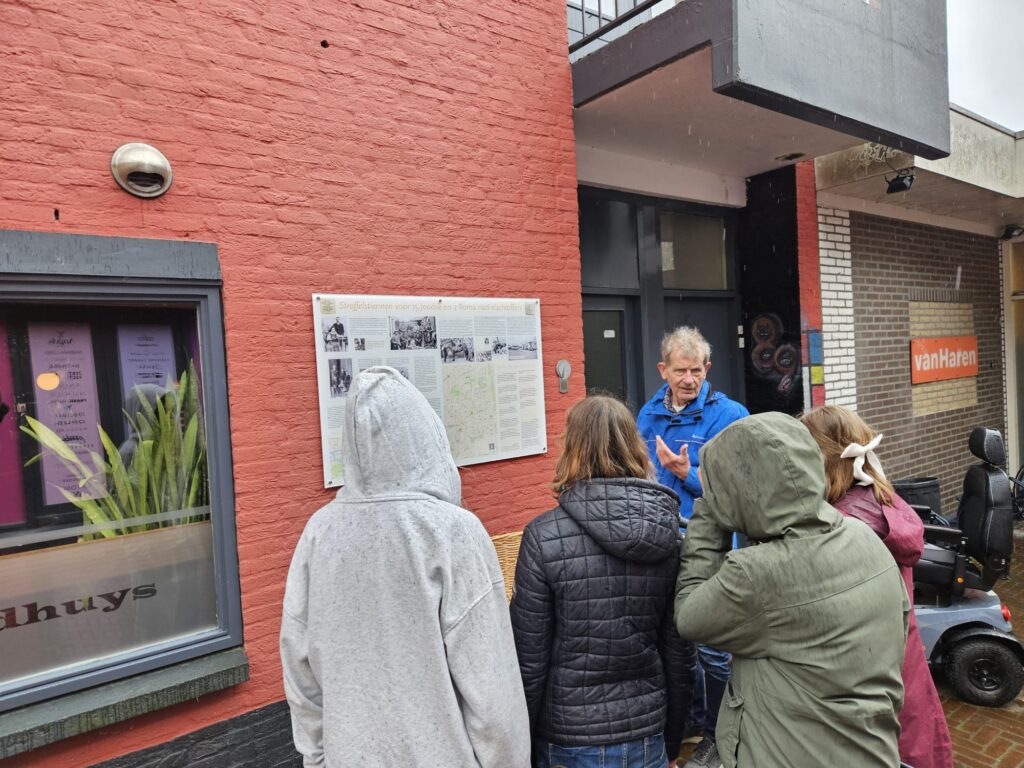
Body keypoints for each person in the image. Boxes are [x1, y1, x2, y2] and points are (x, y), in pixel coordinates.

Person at [280, 366, 530, 767]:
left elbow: (299, 673)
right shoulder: (453, 533)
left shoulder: (317, 535)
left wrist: (319, 758)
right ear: (426, 437)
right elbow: (493, 697)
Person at [675, 412, 908, 768]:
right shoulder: (863, 535)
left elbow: (689, 616)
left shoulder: (758, 573)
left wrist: (710, 508)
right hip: (871, 749)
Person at [510, 396, 696, 768]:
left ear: (571, 448)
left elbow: (529, 660)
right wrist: (672, 739)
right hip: (646, 734)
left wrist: (520, 748)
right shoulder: (669, 536)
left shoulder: (542, 537)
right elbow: (680, 654)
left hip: (568, 738)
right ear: (635, 446)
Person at [801, 405, 954, 768]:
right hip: (901, 659)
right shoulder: (882, 497)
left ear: (822, 459)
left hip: (861, 676)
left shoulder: (840, 525)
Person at [636, 326, 748, 768]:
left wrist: (688, 474)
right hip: (658, 544)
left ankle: (719, 736)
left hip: (710, 550)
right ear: (662, 370)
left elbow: (742, 490)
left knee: (714, 650)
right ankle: (690, 722)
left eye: (696, 370)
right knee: (671, 643)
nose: (689, 379)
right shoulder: (647, 416)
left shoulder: (731, 416)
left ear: (708, 369)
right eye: (680, 370)